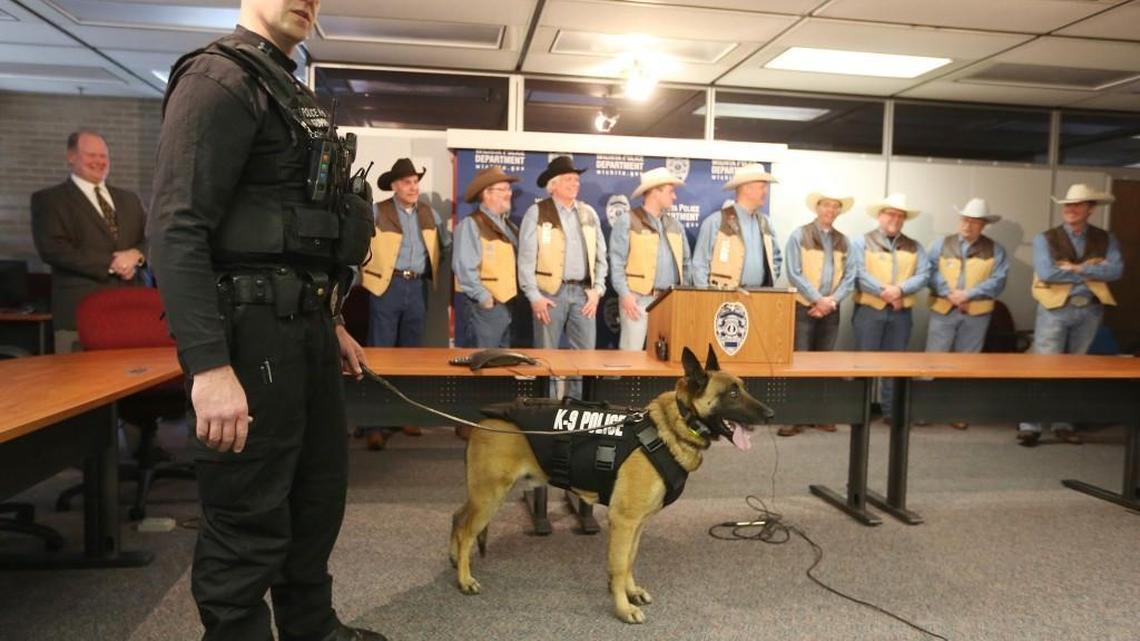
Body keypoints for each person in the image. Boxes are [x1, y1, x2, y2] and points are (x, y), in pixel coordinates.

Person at [148, 0, 384, 639]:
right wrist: (209, 367)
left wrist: (329, 319)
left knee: (315, 497)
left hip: (305, 326)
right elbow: (175, 230)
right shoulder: (217, 79)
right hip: (248, 336)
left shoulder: (287, 88)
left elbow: (291, 234)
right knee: (247, 511)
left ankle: (312, 627)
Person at [1017, 184, 1123, 447]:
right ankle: (1030, 424)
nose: (1071, 209)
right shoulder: (1046, 238)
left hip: (1089, 309)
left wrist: (1074, 269)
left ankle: (1063, 422)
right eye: (1067, 205)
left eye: (1077, 205)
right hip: (1054, 309)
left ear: (1090, 208)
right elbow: (1047, 273)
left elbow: (1115, 271)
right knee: (1044, 367)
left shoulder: (1106, 238)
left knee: (1075, 369)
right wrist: (1089, 270)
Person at [358, 157, 451, 449]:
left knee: (412, 356)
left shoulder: (429, 214)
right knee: (380, 355)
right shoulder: (377, 211)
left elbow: (443, 247)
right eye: (408, 183)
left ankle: (405, 415)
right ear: (395, 186)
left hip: (417, 288)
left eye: (416, 182)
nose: (414, 187)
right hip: (387, 287)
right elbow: (360, 246)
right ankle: (374, 421)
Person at [31, 129, 147, 353]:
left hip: (133, 313)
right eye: (91, 155)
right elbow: (53, 249)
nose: (99, 161)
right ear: (71, 156)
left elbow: (152, 238)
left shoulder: (129, 199)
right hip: (79, 315)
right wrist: (111, 263)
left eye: (103, 156)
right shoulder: (49, 200)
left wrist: (137, 254)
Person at [517, 155, 608, 399]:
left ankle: (577, 410)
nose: (575, 184)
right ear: (553, 184)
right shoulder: (536, 213)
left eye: (576, 179)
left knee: (584, 359)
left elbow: (601, 257)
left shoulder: (589, 213)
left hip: (583, 295)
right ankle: (547, 410)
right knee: (547, 358)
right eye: (569, 179)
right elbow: (525, 260)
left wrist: (597, 289)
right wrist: (534, 296)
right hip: (549, 294)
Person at [925, 198, 1009, 430]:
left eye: (974, 221)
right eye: (965, 219)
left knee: (967, 365)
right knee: (933, 361)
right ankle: (924, 410)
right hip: (943, 310)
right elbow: (929, 271)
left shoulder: (996, 250)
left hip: (977, 314)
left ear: (983, 225)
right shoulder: (940, 244)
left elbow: (998, 281)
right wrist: (949, 293)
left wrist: (968, 294)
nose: (968, 225)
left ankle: (959, 413)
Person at [779, 189, 856, 436]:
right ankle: (794, 417)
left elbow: (850, 276)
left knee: (824, 363)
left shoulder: (844, 241)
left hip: (830, 310)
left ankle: (819, 415)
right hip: (804, 307)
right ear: (817, 208)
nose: (830, 211)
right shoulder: (799, 235)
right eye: (826, 206)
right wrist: (817, 299)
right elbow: (794, 272)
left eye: (835, 207)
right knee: (799, 363)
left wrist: (830, 302)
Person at [851, 193, 930, 423]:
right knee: (864, 364)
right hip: (868, 312)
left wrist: (900, 290)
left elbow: (924, 274)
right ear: (880, 215)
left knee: (895, 366)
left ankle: (890, 412)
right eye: (890, 213)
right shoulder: (861, 242)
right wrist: (886, 292)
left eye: (900, 215)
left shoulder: (914, 246)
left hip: (900, 314)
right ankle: (860, 413)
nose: (895, 218)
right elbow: (857, 273)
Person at [608, 167, 692, 351]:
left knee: (665, 359)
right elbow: (616, 262)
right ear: (655, 192)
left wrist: (683, 295)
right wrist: (625, 294)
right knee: (631, 356)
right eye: (671, 191)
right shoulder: (627, 220)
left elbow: (686, 264)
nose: (674, 197)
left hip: (668, 301)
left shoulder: (675, 225)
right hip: (637, 299)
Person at [453, 165, 521, 348]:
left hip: (507, 307)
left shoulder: (509, 227)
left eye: (509, 189)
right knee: (483, 363)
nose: (509, 194)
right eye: (503, 189)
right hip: (485, 308)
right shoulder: (471, 224)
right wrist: (485, 298)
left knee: (502, 364)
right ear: (486, 194)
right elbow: (463, 267)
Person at [692, 163, 781, 290]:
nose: (765, 192)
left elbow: (776, 260)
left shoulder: (765, 223)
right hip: (722, 298)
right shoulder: (716, 222)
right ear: (747, 188)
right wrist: (708, 300)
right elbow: (699, 265)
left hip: (759, 299)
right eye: (762, 187)